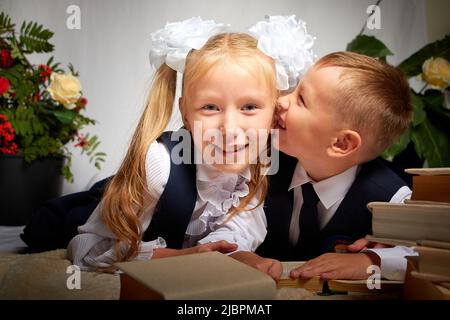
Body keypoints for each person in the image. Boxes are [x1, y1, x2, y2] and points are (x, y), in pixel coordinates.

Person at [65, 17, 311, 277]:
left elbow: (238, 230)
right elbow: (84, 247)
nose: (229, 128)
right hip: (89, 205)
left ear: (274, 111)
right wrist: (183, 258)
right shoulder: (159, 163)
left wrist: (238, 256)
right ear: (185, 113)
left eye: (249, 107)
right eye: (210, 107)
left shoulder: (257, 162)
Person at [239, 51, 416, 281]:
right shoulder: (262, 161)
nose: (281, 101)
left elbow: (432, 254)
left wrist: (372, 260)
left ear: (342, 143)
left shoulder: (391, 199)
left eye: (301, 99)